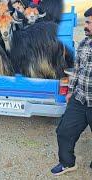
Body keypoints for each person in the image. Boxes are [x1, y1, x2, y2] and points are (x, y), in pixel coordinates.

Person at [51, 7, 92, 176]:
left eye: (89, 23)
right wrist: (70, 91)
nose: (86, 25)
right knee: (64, 131)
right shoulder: (83, 44)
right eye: (87, 22)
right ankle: (67, 163)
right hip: (80, 98)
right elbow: (77, 70)